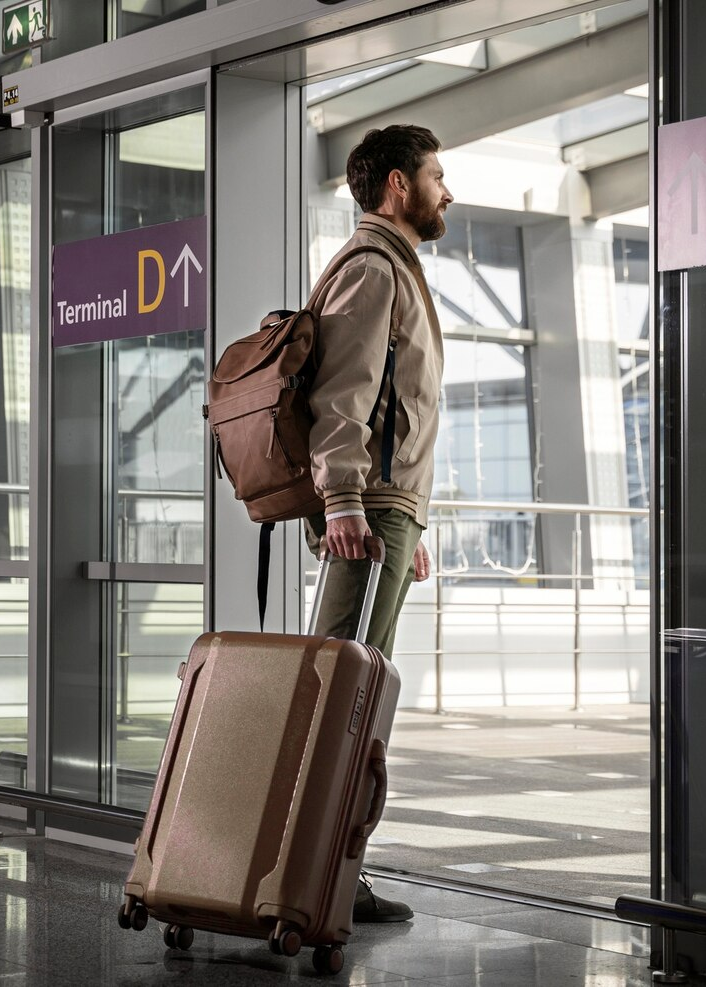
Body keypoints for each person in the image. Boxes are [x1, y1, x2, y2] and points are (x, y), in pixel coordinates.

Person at [306, 124, 451, 923]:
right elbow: (345, 395)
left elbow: (397, 406)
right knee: (344, 695)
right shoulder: (371, 268)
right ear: (399, 186)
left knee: (357, 689)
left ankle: (329, 869)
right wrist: (347, 501)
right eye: (436, 175)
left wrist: (410, 525)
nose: (446, 190)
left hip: (389, 513)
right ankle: (317, 873)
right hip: (369, 512)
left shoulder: (394, 267)